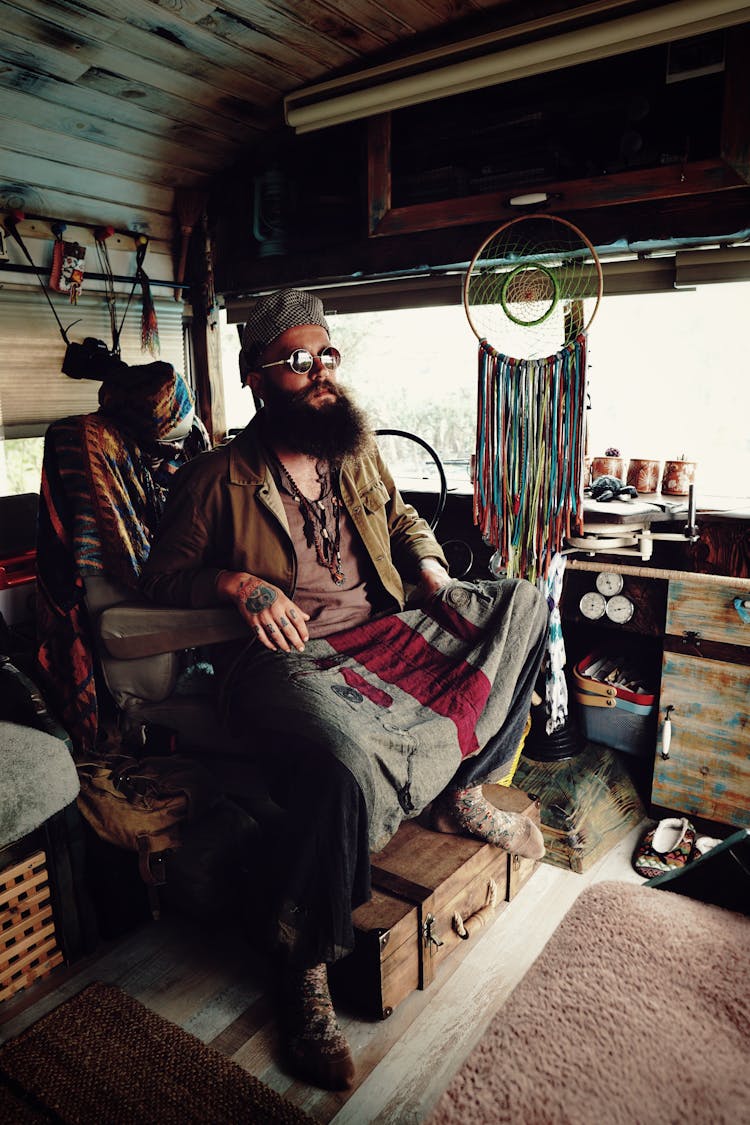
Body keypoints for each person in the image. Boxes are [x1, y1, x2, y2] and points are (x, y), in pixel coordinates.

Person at [140, 289, 549, 1091]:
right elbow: (160, 580)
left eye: (327, 355)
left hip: (385, 630)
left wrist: (430, 570)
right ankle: (305, 963)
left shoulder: (354, 448)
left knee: (524, 604)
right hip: (286, 658)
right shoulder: (216, 477)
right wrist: (233, 583)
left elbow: (401, 523)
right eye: (298, 361)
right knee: (339, 752)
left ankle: (458, 788)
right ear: (259, 377)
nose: (320, 372)